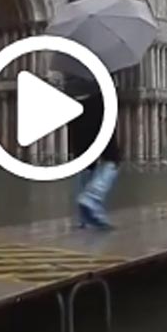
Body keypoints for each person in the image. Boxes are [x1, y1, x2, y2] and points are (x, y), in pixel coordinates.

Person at [65, 76, 120, 229]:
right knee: (112, 157)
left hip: (72, 101)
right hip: (97, 98)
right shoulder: (104, 53)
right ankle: (92, 196)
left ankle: (85, 217)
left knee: (84, 159)